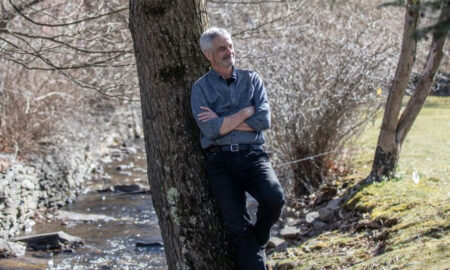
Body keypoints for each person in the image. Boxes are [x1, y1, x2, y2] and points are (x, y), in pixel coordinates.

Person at [191, 27, 285, 270]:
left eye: (230, 45)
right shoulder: (200, 88)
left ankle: (259, 240)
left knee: (274, 198)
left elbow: (264, 121)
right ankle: (253, 247)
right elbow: (210, 130)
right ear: (208, 55)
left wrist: (223, 121)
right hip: (219, 163)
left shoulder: (252, 79)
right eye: (222, 48)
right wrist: (245, 112)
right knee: (238, 228)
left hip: (253, 156)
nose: (229, 51)